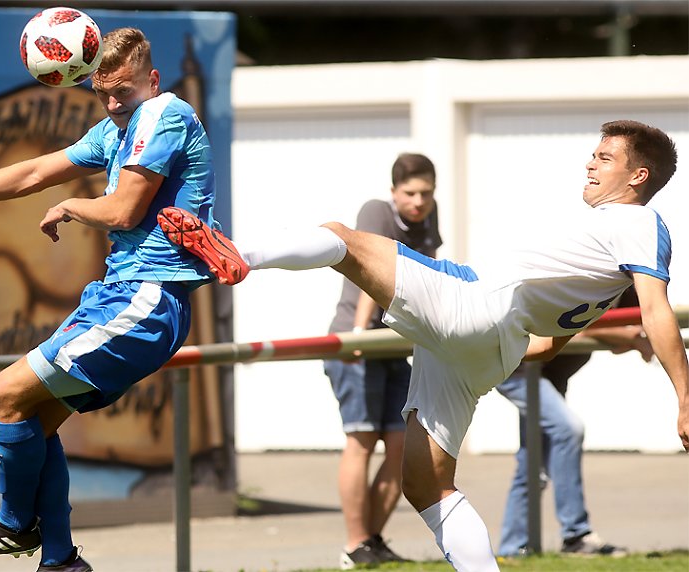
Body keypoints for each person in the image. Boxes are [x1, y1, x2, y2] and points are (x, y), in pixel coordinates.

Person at [157, 120, 688, 571]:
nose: (590, 164)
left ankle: (232, 252)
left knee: (343, 238)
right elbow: (548, 346)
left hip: (474, 302)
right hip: (491, 349)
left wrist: (685, 399)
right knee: (428, 488)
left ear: (638, 176)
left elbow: (657, 310)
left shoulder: (638, 220)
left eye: (604, 157)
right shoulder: (611, 244)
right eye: (592, 155)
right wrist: (487, 347)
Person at [0, 28, 221, 572]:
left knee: (4, 394)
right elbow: (35, 171)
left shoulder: (164, 113)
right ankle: (61, 559)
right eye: (104, 94)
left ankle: (13, 524)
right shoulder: (120, 126)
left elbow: (122, 212)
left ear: (153, 80)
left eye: (124, 91)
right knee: (32, 419)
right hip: (124, 298)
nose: (114, 103)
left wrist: (71, 205)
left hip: (145, 301)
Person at [323, 153, 442, 568]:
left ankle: (369, 542)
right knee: (361, 440)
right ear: (394, 192)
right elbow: (365, 271)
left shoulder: (429, 218)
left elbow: (428, 275)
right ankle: (355, 544)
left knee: (399, 447)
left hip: (394, 345)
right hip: (357, 343)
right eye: (410, 193)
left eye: (426, 193)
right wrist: (357, 336)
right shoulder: (377, 212)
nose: (419, 201)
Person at [495, 288, 653, 558]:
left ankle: (513, 548)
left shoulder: (629, 283)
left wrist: (627, 336)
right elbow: (577, 328)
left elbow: (623, 330)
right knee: (568, 429)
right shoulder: (588, 276)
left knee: (532, 462)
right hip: (520, 370)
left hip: (551, 376)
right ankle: (576, 535)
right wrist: (630, 337)